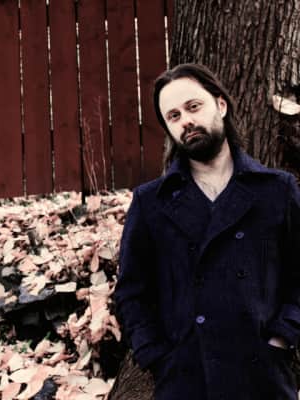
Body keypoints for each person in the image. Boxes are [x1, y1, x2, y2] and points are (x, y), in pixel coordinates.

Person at [113, 63, 300, 400]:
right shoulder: (151, 203)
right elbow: (131, 293)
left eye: (193, 107)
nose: (186, 120)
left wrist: (283, 336)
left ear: (221, 105)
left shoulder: (277, 190)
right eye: (173, 116)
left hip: (263, 378)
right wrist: (155, 356)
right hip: (186, 381)